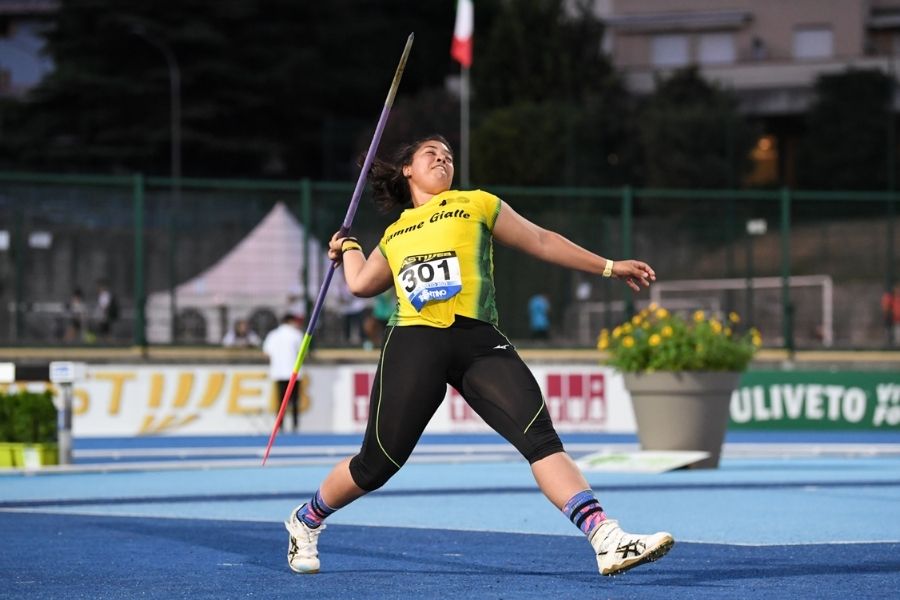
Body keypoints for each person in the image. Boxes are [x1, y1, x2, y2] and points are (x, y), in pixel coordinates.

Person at [283, 135, 672, 577]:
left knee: (540, 439)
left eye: (449, 156)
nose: (443, 160)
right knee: (377, 463)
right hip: (414, 341)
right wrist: (347, 247)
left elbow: (541, 241)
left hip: (478, 340)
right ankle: (305, 519)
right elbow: (360, 284)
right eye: (432, 153)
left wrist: (608, 266)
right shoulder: (394, 234)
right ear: (407, 169)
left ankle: (606, 537)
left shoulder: (477, 204)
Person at [263, 313, 305, 432]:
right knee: (295, 402)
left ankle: (280, 426)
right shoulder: (296, 334)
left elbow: (266, 352)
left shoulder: (273, 335)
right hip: (294, 373)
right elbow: (302, 352)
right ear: (291, 321)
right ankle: (295, 426)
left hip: (278, 372)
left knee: (281, 402)